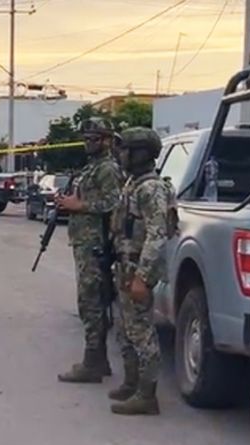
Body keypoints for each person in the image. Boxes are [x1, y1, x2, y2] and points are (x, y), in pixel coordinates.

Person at [108, 127, 177, 416]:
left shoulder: (150, 189)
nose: (121, 155)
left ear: (142, 154)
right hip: (125, 264)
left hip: (137, 266)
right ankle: (132, 383)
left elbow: (157, 235)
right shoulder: (133, 184)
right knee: (126, 330)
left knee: (142, 332)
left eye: (126, 150)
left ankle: (147, 396)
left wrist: (143, 277)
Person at [55, 117, 123, 384]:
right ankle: (99, 359)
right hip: (85, 242)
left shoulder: (107, 168)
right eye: (86, 138)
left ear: (107, 140)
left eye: (94, 138)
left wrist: (79, 205)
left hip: (96, 244)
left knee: (91, 303)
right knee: (90, 301)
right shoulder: (92, 168)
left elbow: (112, 202)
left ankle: (92, 362)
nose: (89, 143)